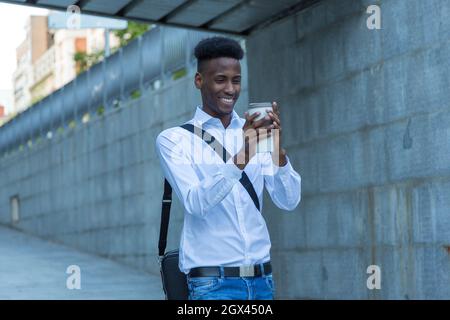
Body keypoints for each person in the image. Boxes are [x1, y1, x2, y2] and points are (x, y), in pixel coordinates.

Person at [155, 36, 301, 300]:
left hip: (261, 282)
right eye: (220, 79)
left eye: (236, 80)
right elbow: (195, 202)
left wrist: (277, 151)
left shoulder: (256, 133)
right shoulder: (175, 139)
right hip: (212, 285)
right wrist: (244, 155)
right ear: (199, 80)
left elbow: (288, 200)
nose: (231, 89)